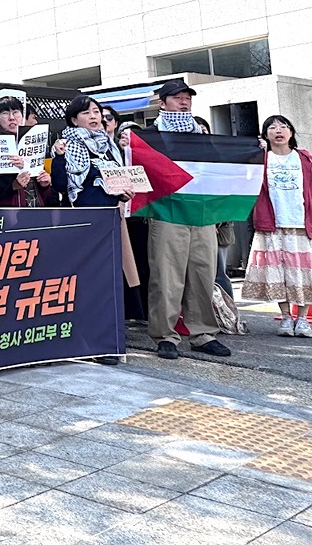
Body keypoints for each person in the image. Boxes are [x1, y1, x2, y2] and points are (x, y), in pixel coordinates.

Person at [145, 79, 231, 360]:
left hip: (202, 213)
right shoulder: (150, 135)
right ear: (163, 103)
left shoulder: (202, 135)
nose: (184, 102)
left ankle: (203, 333)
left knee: (203, 273)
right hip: (167, 212)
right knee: (167, 275)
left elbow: (219, 169)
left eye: (187, 97)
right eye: (177, 97)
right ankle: (164, 335)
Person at [51, 94, 143, 326]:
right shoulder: (65, 145)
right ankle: (88, 327)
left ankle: (108, 328)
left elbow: (120, 178)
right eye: (86, 113)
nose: (93, 116)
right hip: (83, 218)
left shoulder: (109, 145)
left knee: (110, 274)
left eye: (95, 111)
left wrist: (125, 192)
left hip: (110, 217)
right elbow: (61, 185)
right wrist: (60, 158)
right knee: (88, 275)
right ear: (73, 120)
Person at [243, 115, 312, 337]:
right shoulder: (262, 159)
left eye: (283, 126)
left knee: (303, 273)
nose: (278, 130)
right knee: (277, 273)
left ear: (291, 132)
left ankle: (302, 319)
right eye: (272, 127)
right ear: (265, 134)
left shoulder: (305, 159)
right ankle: (285, 317)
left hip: (301, 223)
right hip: (271, 223)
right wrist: (255, 151)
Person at [0, 95, 53, 208]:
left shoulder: (34, 140)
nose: (12, 117)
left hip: (38, 209)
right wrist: (13, 185)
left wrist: (45, 184)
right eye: (5, 113)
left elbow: (47, 191)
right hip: (8, 214)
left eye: (16, 112)